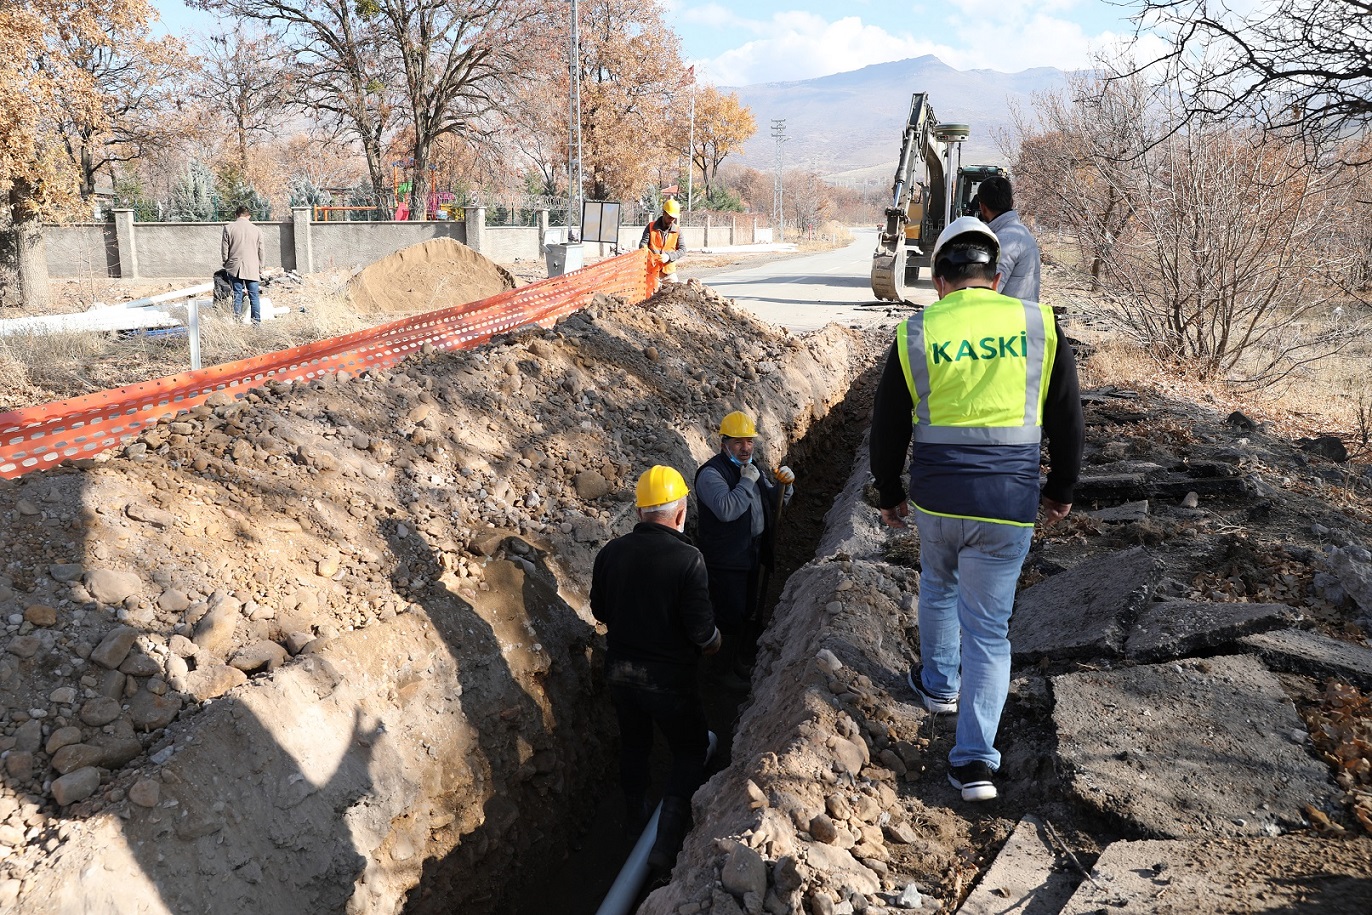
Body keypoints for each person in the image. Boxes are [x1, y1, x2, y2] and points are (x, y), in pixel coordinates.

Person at [869, 215, 1083, 802]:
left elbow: (887, 424)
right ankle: (974, 766)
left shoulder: (918, 331)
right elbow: (1067, 417)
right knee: (989, 630)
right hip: (1009, 501)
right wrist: (1062, 487)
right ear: (994, 274)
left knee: (937, 585)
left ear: (940, 279)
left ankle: (939, 685)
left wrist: (887, 492)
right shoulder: (1039, 324)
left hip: (936, 497)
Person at [590, 465, 721, 871]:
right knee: (690, 749)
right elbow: (701, 631)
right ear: (680, 511)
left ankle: (634, 818)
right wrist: (716, 642)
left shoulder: (612, 551)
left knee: (634, 744)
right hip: (668, 681)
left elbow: (599, 609)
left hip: (620, 672)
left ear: (641, 511)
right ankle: (665, 843)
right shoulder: (688, 558)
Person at [694, 411, 794, 686]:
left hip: (750, 553)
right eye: (738, 442)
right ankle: (719, 672)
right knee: (728, 614)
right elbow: (728, 509)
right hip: (725, 560)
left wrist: (786, 486)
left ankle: (736, 660)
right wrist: (748, 480)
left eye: (749, 441)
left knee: (744, 609)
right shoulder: (711, 474)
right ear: (723, 443)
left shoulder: (752, 468)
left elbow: (772, 502)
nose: (746, 448)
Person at [975, 175, 1041, 303]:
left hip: (1010, 320)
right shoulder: (1020, 232)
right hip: (1023, 316)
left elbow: (987, 291)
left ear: (982, 207)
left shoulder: (1006, 240)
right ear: (1012, 202)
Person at [221, 205, 265, 325]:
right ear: (248, 216)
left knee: (237, 294)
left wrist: (226, 262)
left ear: (236, 215)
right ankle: (256, 323)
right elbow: (261, 250)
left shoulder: (228, 228)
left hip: (234, 266)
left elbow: (225, 248)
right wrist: (261, 267)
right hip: (252, 267)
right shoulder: (257, 230)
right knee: (254, 296)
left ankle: (237, 321)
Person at [639, 198, 685, 286]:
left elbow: (683, 250)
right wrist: (647, 253)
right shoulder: (651, 227)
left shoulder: (677, 231)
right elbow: (643, 244)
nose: (671, 220)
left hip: (669, 273)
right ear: (664, 213)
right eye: (669, 217)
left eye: (674, 218)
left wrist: (669, 256)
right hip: (652, 272)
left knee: (677, 293)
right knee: (651, 298)